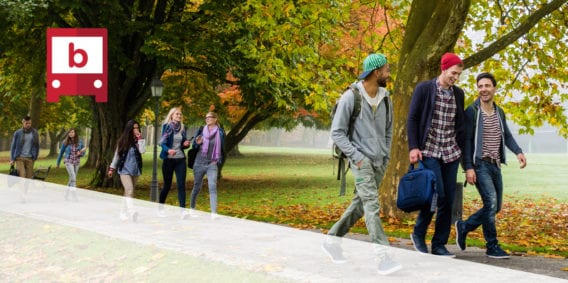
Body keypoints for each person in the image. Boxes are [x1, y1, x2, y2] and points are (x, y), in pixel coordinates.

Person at [322, 53, 401, 275]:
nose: (388, 73)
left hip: (379, 161)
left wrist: (385, 155)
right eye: (386, 69)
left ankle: (331, 241)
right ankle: (383, 257)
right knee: (372, 206)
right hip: (361, 161)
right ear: (376, 72)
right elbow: (337, 133)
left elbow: (388, 130)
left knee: (360, 205)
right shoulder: (351, 97)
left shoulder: (386, 98)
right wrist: (357, 157)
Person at [455, 72, 527, 259]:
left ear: (494, 88)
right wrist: (468, 167)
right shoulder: (472, 112)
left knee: (496, 206)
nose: (483, 89)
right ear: (477, 89)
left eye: (487, 86)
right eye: (480, 86)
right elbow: (467, 142)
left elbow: (507, 136)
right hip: (479, 164)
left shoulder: (498, 112)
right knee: (491, 202)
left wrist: (518, 151)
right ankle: (492, 245)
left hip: (495, 165)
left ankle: (464, 227)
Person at [406, 52, 466, 257]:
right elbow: (412, 119)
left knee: (448, 199)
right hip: (429, 150)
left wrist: (463, 157)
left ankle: (439, 244)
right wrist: (413, 147)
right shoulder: (425, 89)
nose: (455, 77)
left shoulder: (459, 94)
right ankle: (418, 233)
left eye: (458, 74)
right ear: (443, 69)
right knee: (436, 194)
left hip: (450, 152)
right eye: (453, 73)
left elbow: (460, 126)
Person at [189, 111, 226, 219]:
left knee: (212, 187)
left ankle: (214, 213)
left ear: (215, 119)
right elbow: (194, 146)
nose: (208, 119)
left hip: (212, 164)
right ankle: (192, 208)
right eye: (206, 117)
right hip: (199, 163)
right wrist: (197, 142)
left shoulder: (220, 132)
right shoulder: (201, 130)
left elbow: (223, 149)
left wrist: (218, 161)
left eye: (210, 117)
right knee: (197, 186)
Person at [157, 107, 191, 218]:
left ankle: (183, 211)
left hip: (180, 160)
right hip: (168, 160)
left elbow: (182, 145)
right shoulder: (166, 127)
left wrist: (186, 144)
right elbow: (162, 143)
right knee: (167, 185)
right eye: (177, 114)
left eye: (180, 114)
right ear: (171, 115)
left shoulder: (183, 127)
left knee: (181, 185)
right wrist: (168, 150)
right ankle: (160, 209)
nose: (179, 116)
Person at [108, 120, 145, 222]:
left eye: (137, 128)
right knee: (129, 190)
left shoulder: (139, 141)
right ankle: (132, 212)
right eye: (134, 128)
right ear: (129, 129)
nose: (136, 130)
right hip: (124, 170)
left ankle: (122, 213)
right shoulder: (122, 141)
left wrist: (139, 139)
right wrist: (112, 168)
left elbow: (142, 151)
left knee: (127, 192)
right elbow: (117, 156)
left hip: (135, 170)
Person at [56, 128, 87, 201]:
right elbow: (61, 153)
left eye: (72, 132)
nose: (71, 134)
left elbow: (84, 151)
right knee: (73, 177)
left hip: (76, 162)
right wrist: (58, 163)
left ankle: (66, 195)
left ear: (75, 133)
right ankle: (75, 196)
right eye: (69, 132)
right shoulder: (65, 142)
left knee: (71, 179)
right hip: (68, 161)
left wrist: (81, 153)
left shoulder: (80, 142)